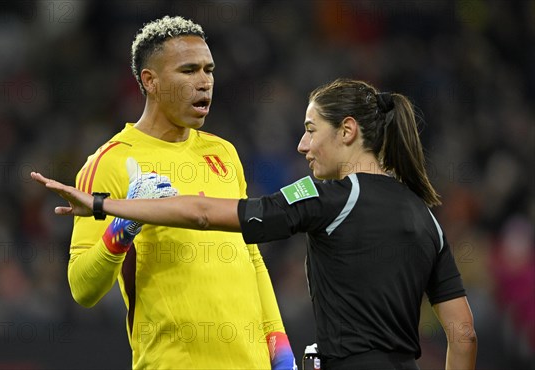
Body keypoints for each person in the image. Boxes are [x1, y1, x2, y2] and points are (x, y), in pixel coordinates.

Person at [33, 78, 478, 370]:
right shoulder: (425, 217)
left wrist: (105, 204)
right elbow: (464, 333)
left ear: (347, 131)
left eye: (310, 129)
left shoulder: (327, 198)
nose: (302, 144)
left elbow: (205, 213)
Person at [61, 15, 296, 369]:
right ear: (150, 81)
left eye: (209, 70)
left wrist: (280, 349)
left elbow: (252, 259)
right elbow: (82, 288)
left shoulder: (224, 154)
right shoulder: (112, 162)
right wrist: (122, 225)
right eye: (188, 71)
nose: (204, 83)